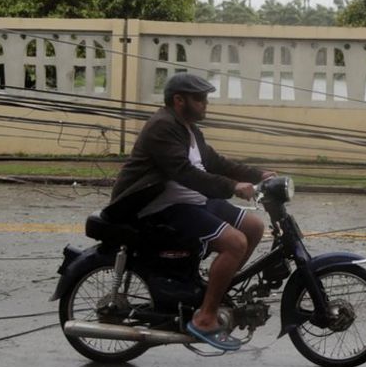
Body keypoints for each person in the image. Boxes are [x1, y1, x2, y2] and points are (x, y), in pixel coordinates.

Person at [104, 73, 274, 351]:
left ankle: (214, 291)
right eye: (199, 98)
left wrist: (258, 175)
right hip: (162, 207)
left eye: (206, 98)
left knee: (253, 227)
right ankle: (205, 318)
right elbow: (184, 173)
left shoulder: (188, 128)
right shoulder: (162, 126)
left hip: (190, 200)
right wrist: (233, 187)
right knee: (235, 243)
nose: (205, 103)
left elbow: (215, 161)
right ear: (178, 100)